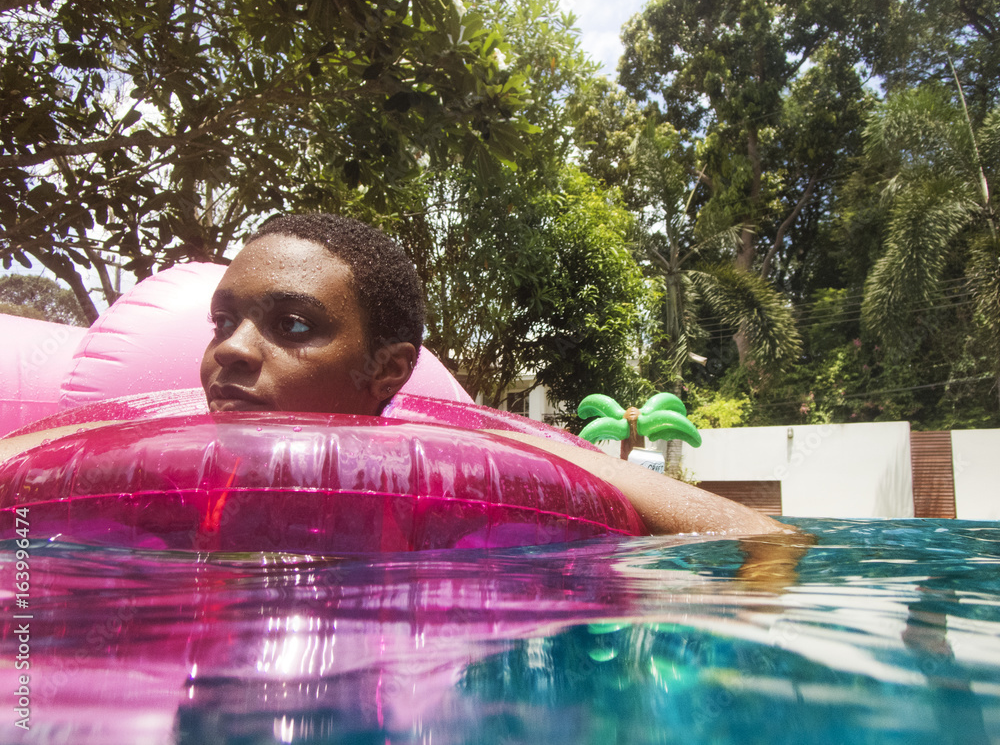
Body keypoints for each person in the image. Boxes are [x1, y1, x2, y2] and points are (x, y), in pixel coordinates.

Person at [1, 213, 787, 536]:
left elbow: (761, 541)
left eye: (293, 325)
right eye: (223, 321)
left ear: (388, 371)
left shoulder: (465, 464)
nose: (230, 352)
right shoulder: (120, 463)